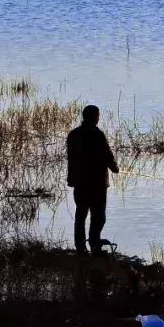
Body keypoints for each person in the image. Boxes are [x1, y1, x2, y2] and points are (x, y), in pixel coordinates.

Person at [66, 104, 119, 255]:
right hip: (97, 184)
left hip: (80, 183)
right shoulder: (98, 134)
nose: (98, 118)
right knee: (98, 217)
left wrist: (71, 179)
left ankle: (81, 247)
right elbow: (107, 155)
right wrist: (115, 168)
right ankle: (95, 245)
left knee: (81, 215)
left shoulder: (73, 134)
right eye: (98, 115)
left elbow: (71, 159)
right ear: (94, 117)